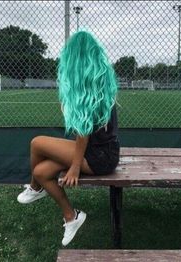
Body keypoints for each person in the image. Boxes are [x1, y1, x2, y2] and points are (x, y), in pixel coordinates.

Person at [17, 29, 120, 246]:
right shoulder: (99, 82)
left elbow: (82, 131)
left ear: (72, 58)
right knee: (41, 171)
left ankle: (35, 188)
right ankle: (71, 217)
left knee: (37, 143)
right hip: (103, 152)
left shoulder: (88, 87)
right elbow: (84, 130)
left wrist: (74, 166)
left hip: (99, 157)